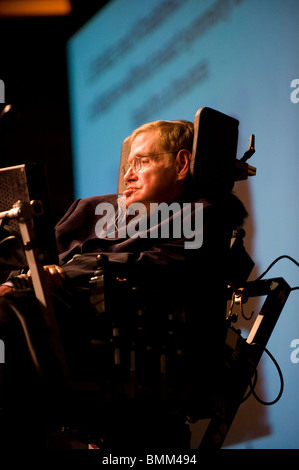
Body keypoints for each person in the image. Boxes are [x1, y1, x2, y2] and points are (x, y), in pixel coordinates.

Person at [0, 119, 247, 450]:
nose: (129, 175)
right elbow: (32, 263)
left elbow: (153, 270)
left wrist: (61, 274)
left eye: (142, 162)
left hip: (102, 333)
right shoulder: (90, 211)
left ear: (181, 164)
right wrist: (28, 277)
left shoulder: (201, 217)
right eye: (129, 164)